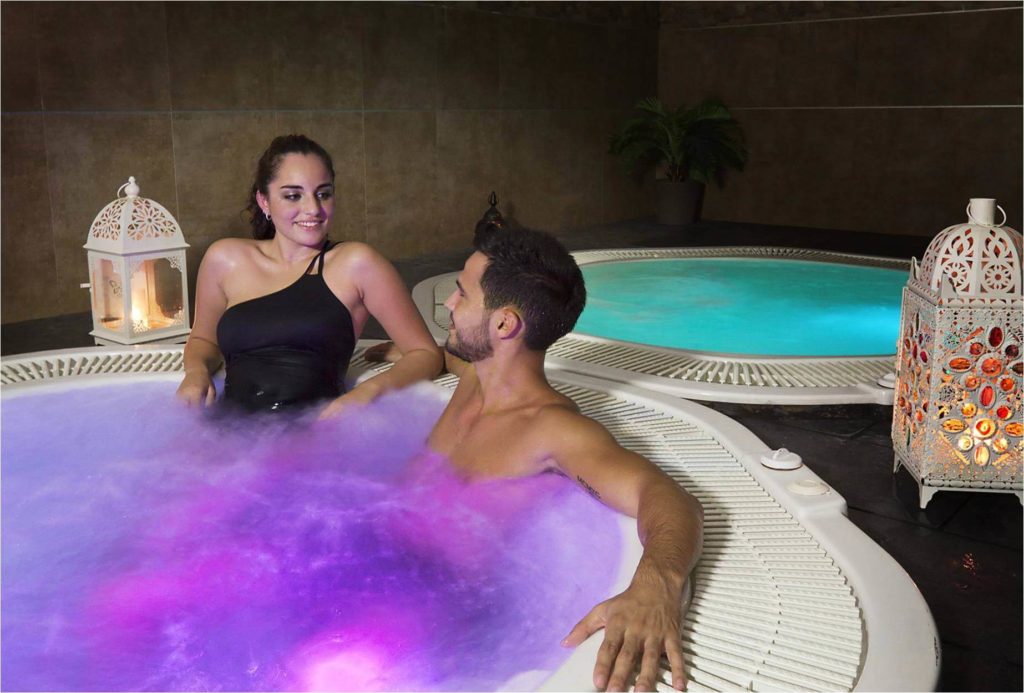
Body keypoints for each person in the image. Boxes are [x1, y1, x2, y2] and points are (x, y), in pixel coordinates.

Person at [369, 225, 703, 692]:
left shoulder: (552, 430)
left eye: (462, 293)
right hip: (373, 563)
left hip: (431, 619)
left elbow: (670, 498)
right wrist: (399, 353)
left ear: (504, 325)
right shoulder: (476, 376)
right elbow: (454, 359)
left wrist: (657, 584)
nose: (448, 303)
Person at [176, 134, 442, 414]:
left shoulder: (357, 264)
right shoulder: (225, 259)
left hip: (317, 430)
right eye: (293, 196)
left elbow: (425, 353)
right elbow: (204, 340)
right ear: (264, 201)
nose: (313, 209)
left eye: (323, 194)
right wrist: (196, 372)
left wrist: (366, 392)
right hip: (230, 429)